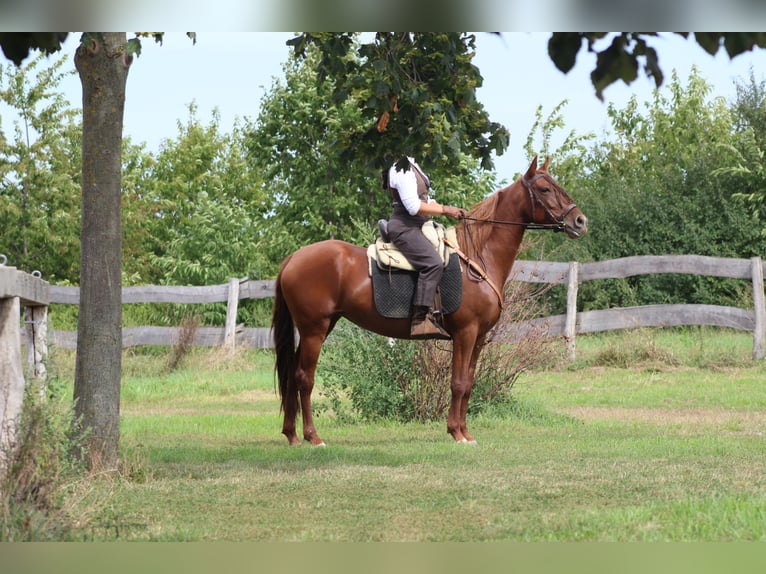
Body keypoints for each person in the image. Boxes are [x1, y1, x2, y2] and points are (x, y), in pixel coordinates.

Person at [385, 156, 466, 339]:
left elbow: (425, 200)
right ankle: (419, 321)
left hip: (418, 225)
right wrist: (446, 210)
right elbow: (413, 207)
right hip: (405, 227)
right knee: (433, 263)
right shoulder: (401, 168)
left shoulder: (412, 162)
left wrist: (454, 209)